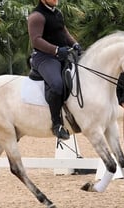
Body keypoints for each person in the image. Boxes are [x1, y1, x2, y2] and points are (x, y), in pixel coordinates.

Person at [27, 0, 82, 140]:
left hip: (61, 55)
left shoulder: (57, 13)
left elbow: (64, 32)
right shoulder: (36, 16)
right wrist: (56, 50)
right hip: (44, 57)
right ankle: (57, 125)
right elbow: (36, 40)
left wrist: (74, 44)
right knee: (57, 84)